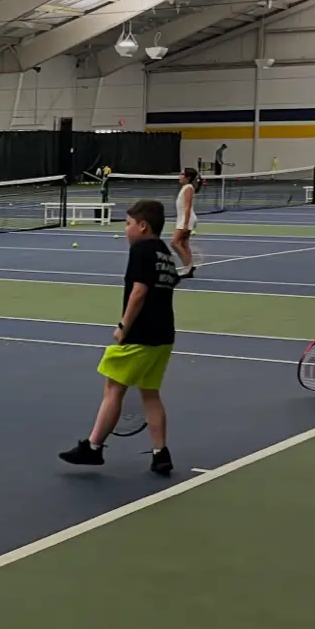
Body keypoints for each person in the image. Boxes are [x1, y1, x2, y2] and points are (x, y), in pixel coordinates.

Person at [59, 198, 179, 475]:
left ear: (143, 226)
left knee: (114, 389)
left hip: (140, 335)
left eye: (127, 224)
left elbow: (139, 292)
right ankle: (161, 453)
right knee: (150, 394)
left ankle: (93, 447)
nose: (125, 230)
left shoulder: (142, 251)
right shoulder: (164, 252)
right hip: (164, 336)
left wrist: (123, 326)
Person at [171, 167, 199, 277]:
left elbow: (188, 207)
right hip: (183, 219)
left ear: (188, 177)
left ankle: (188, 267)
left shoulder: (188, 188)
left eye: (182, 174)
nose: (180, 176)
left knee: (174, 243)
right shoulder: (185, 188)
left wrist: (186, 224)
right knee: (184, 243)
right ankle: (189, 266)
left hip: (186, 219)